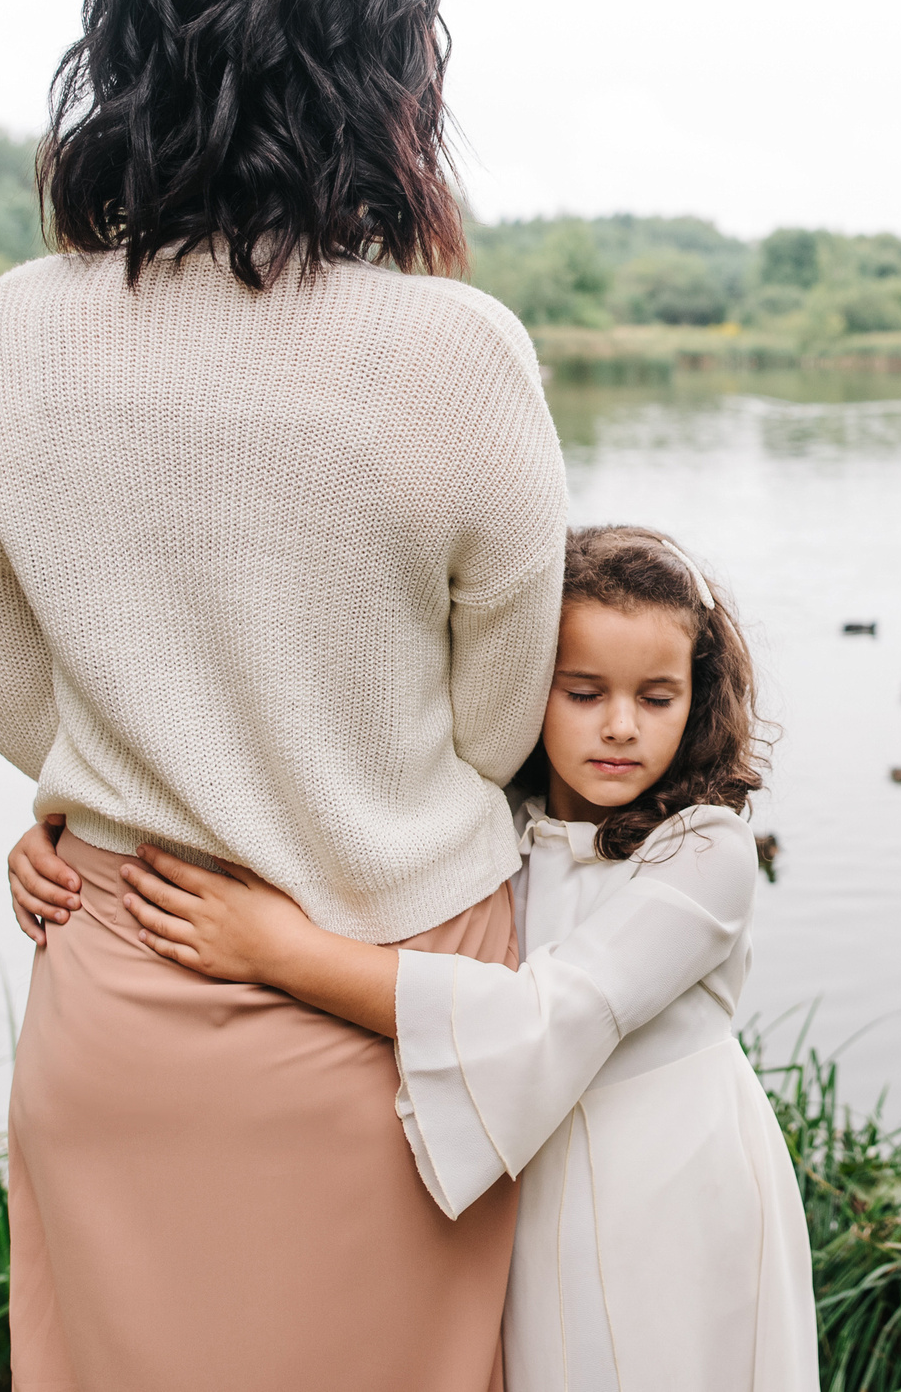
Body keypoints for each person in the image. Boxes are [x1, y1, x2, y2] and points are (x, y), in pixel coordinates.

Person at [0, 0, 568, 1392]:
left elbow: (23, 703)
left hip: (118, 983)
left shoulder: (13, 334)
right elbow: (498, 722)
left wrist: (145, 774)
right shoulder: (457, 354)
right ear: (382, 80)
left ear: (126, 55)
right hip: (393, 1015)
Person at [89, 526, 819, 1391]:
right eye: (583, 692)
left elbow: (543, 1014)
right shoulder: (490, 827)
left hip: (674, 1181)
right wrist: (64, 835)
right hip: (536, 1176)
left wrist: (280, 952)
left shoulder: (707, 852)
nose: (620, 726)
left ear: (695, 702)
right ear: (527, 689)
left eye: (656, 698)